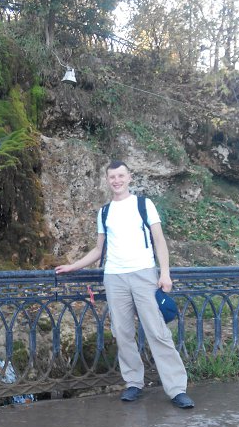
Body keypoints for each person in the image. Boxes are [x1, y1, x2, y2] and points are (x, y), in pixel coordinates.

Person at [55, 160, 194, 409]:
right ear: (107, 180)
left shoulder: (144, 204)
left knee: (157, 331)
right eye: (112, 177)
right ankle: (133, 383)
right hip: (114, 277)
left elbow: (159, 241)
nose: (116, 180)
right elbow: (99, 249)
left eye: (121, 176)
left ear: (129, 177)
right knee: (123, 333)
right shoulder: (104, 212)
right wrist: (73, 266)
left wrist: (164, 273)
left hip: (144, 274)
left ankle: (177, 389)